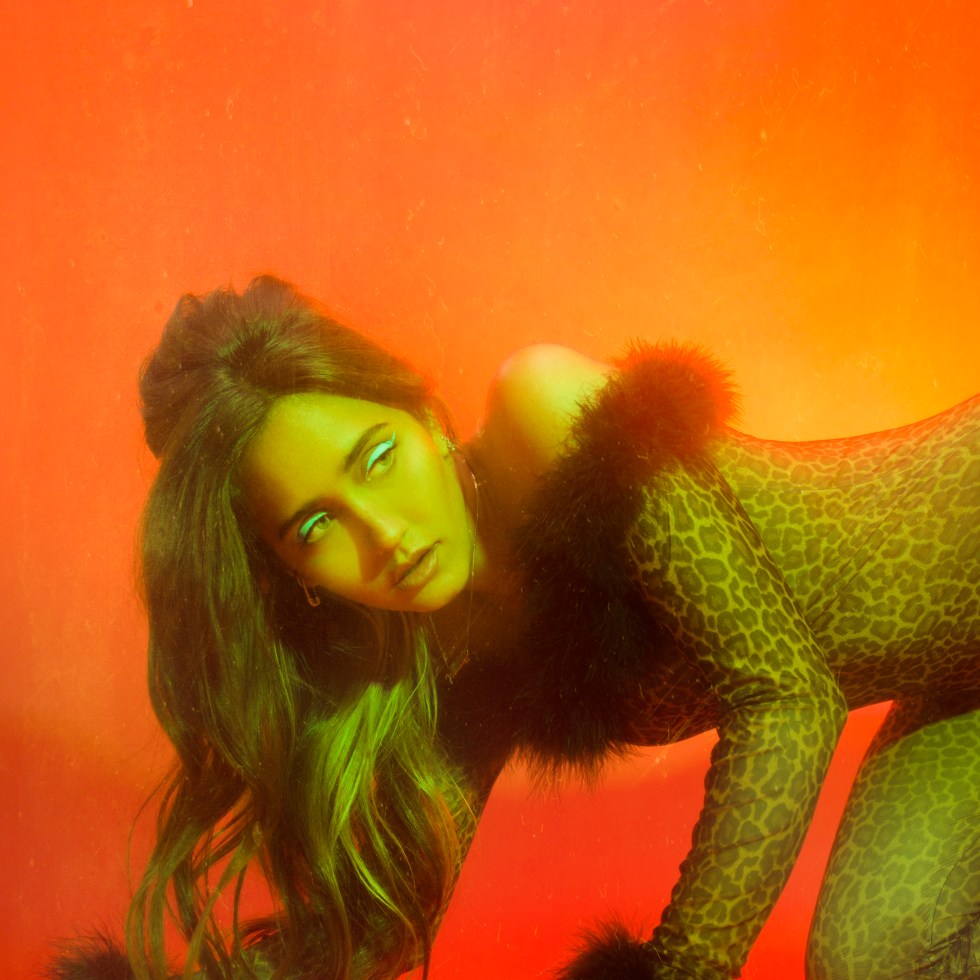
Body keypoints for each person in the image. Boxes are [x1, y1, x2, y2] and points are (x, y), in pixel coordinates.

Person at [49, 275, 978, 980]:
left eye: (377, 457)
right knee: (875, 961)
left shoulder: (550, 415)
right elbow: (381, 931)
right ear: (292, 576)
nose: (387, 535)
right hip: (958, 684)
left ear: (422, 416)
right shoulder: (460, 653)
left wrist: (679, 967)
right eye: (317, 525)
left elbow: (786, 695)